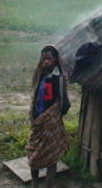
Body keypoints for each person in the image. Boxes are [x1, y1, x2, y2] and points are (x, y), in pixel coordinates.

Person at [26, 46, 70, 188]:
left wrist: (54, 116)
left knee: (51, 158)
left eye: (49, 59)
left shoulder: (59, 78)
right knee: (33, 155)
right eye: (43, 59)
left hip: (51, 121)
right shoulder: (41, 75)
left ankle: (48, 186)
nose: (45, 62)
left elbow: (64, 103)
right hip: (38, 122)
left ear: (56, 60)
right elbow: (36, 97)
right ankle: (34, 184)